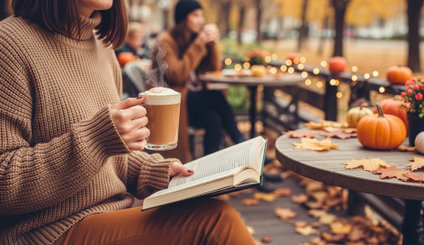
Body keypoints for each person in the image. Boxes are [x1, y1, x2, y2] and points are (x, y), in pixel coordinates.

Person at [0, 0, 255, 244]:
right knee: (216, 222)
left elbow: (111, 155)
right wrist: (96, 138)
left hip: (114, 212)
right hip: (47, 230)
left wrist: (155, 171)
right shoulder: (9, 44)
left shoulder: (102, 46)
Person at [150, 0, 245, 161]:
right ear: (182, 18)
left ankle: (210, 168)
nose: (200, 20)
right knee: (216, 98)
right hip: (175, 104)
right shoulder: (165, 40)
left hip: (193, 103)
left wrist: (211, 44)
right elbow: (176, 75)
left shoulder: (193, 39)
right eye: (195, 15)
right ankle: (241, 143)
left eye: (202, 15)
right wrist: (199, 43)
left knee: (213, 119)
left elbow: (214, 67)